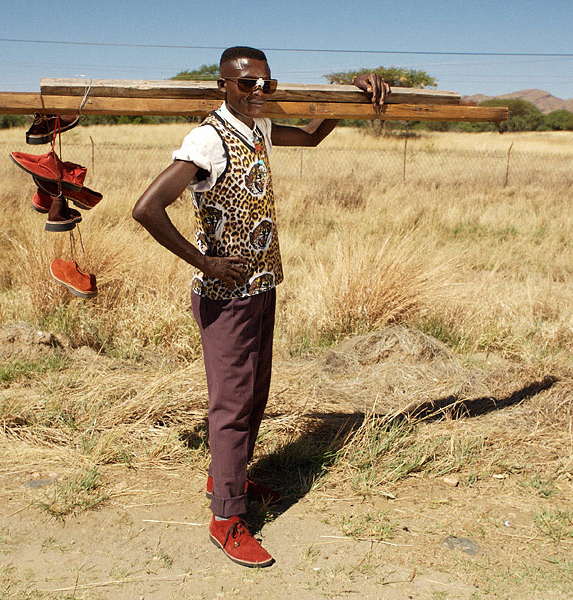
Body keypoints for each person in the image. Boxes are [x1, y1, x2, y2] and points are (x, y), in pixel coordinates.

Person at [132, 46, 389, 568]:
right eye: (246, 83)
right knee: (231, 404)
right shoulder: (207, 138)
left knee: (254, 394)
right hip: (226, 298)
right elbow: (146, 208)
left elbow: (314, 134)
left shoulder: (260, 129)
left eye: (265, 84)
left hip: (262, 287)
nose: (256, 92)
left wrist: (350, 94)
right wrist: (204, 261)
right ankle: (226, 518)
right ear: (223, 84)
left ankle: (230, 478)